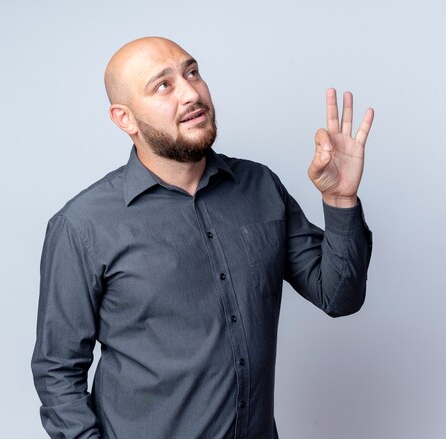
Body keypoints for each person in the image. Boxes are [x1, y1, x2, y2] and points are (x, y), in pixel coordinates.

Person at [31, 36, 374, 439]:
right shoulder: (83, 225)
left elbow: (339, 297)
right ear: (125, 119)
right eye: (163, 85)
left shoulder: (260, 187)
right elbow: (58, 372)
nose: (191, 92)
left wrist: (340, 200)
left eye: (192, 72)